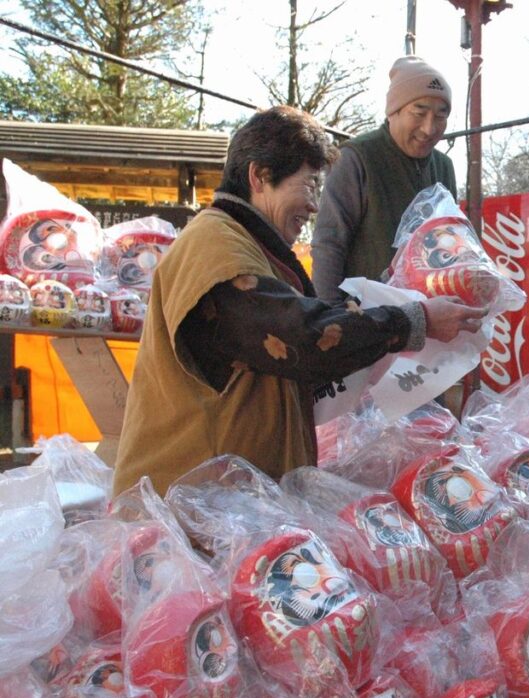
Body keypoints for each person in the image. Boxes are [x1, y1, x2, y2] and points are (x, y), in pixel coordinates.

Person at [113, 106, 485, 497]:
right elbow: (302, 335)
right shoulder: (215, 247)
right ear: (259, 176)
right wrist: (412, 321)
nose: (312, 206)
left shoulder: (249, 248)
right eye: (308, 185)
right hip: (184, 509)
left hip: (225, 505)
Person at [311, 56, 457, 301]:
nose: (429, 128)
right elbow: (329, 244)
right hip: (366, 322)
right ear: (393, 112)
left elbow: (452, 244)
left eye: (440, 116)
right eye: (419, 113)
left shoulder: (444, 167)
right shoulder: (356, 157)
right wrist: (330, 318)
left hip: (432, 321)